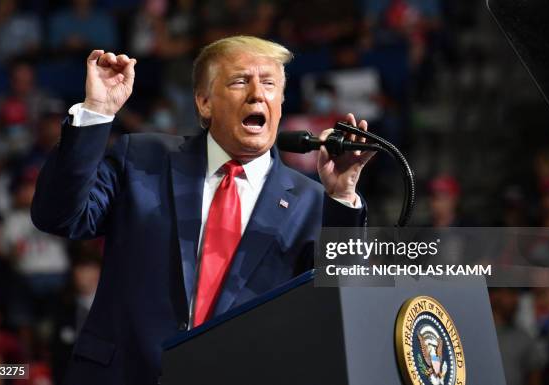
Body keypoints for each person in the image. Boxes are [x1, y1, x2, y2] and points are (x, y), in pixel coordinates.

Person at [31, 35, 375, 384]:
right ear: (204, 102)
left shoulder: (312, 202)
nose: (257, 93)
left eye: (269, 83)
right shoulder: (142, 157)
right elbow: (58, 215)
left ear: (281, 102)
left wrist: (344, 195)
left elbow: (343, 308)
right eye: (240, 81)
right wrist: (97, 112)